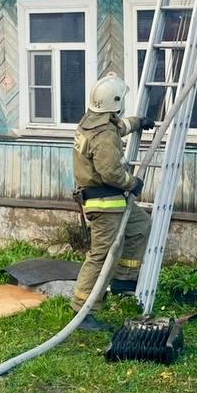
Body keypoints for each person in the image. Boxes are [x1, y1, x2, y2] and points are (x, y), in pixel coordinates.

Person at [70, 72, 156, 331]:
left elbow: (119, 126)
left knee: (140, 226)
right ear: (114, 102)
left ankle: (124, 278)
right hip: (104, 203)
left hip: (111, 201)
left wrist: (138, 122)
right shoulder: (104, 135)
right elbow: (110, 172)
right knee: (102, 255)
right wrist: (132, 183)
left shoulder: (93, 122)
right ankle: (82, 308)